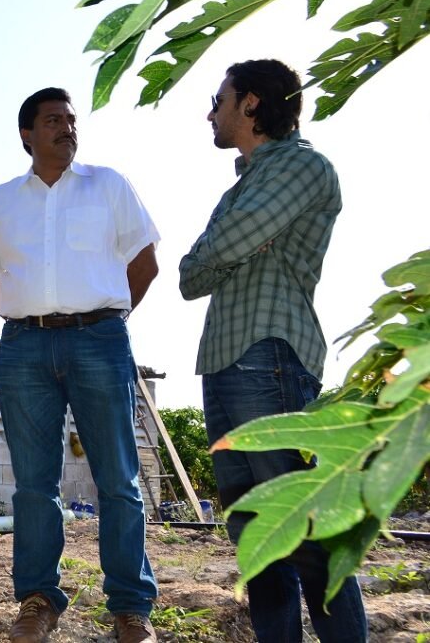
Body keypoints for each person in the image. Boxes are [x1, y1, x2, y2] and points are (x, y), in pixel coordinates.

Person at [179, 59, 367, 642]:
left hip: (271, 358)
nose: (210, 113)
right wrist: (233, 244)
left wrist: (228, 244)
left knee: (306, 532)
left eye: (218, 100)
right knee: (259, 545)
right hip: (224, 363)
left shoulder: (304, 165)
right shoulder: (241, 186)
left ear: (251, 104)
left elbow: (225, 244)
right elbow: (189, 277)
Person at [0, 87, 160, 643]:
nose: (67, 129)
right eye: (53, 120)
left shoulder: (109, 185)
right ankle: (37, 600)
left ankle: (130, 608)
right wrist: (32, 316)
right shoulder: (0, 201)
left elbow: (145, 263)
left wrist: (102, 318)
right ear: (27, 134)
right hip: (25, 348)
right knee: (34, 484)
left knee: (118, 479)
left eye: (71, 120)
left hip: (100, 340)